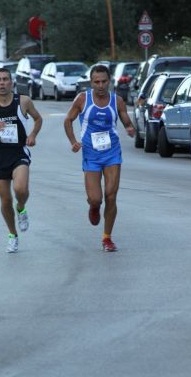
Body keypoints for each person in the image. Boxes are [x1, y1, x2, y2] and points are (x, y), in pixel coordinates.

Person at [64, 64, 135, 252]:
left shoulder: (117, 100)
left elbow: (126, 120)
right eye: (97, 82)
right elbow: (68, 120)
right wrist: (73, 141)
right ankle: (94, 207)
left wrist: (129, 128)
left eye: (104, 81)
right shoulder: (82, 99)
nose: (101, 85)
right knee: (96, 199)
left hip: (112, 153)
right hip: (91, 155)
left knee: (111, 195)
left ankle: (107, 238)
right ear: (91, 82)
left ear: (109, 81)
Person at [0, 67, 42, 253]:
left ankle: (21, 207)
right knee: (5, 201)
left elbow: (38, 119)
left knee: (20, 189)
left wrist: (32, 135)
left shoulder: (23, 101)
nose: (2, 83)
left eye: (5, 79)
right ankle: (12, 234)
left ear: (11, 82)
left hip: (19, 152)